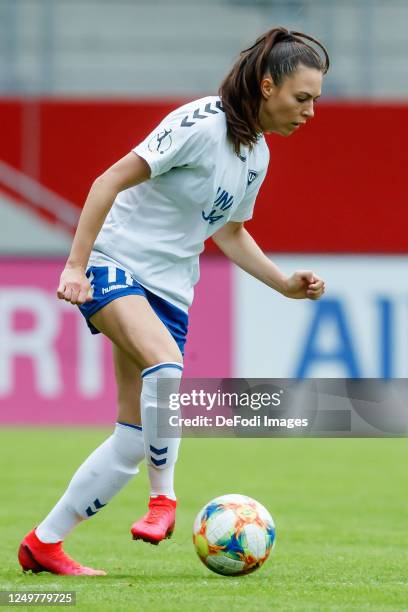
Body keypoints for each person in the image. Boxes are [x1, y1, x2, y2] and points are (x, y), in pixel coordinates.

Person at [18, 26, 328, 576]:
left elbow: (229, 233)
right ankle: (165, 501)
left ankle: (44, 543)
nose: (310, 112)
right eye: (302, 98)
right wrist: (74, 265)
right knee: (167, 365)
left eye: (316, 101)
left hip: (170, 291)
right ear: (266, 86)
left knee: (134, 437)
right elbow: (107, 181)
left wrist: (282, 283)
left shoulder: (256, 154)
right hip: (114, 265)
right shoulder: (201, 123)